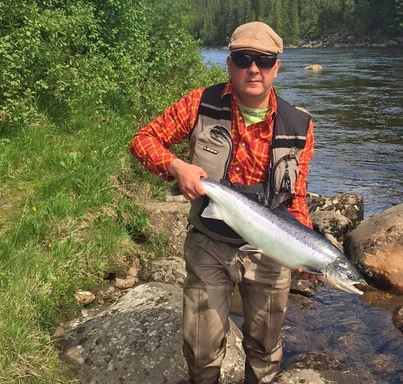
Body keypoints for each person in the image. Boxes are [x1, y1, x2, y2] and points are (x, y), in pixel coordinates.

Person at [129, 21, 316, 384]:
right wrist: (176, 166)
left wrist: (307, 251)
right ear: (230, 64)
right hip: (208, 243)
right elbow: (144, 140)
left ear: (277, 66)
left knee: (264, 350)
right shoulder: (200, 104)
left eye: (264, 61)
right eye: (244, 59)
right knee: (201, 348)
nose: (253, 69)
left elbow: (297, 198)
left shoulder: (300, 125)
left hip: (269, 248)